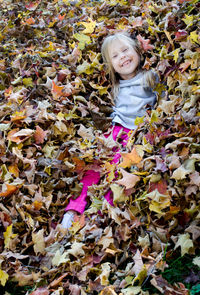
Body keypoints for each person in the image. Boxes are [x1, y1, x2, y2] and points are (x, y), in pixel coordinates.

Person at [61, 32, 158, 228]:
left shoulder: (150, 77)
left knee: (118, 170)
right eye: (115, 56)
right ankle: (74, 209)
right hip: (115, 131)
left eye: (125, 50)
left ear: (137, 51)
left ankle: (101, 213)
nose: (122, 56)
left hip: (135, 134)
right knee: (97, 166)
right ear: (111, 65)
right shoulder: (115, 86)